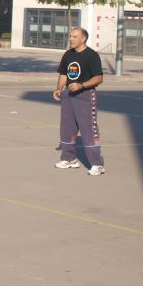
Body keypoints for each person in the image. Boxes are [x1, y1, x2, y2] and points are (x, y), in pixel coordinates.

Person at [53, 27, 105, 176]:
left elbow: (99, 78)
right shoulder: (68, 54)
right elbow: (64, 73)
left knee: (88, 129)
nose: (71, 39)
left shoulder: (91, 55)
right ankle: (69, 159)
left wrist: (81, 85)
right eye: (70, 36)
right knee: (67, 128)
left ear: (83, 39)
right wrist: (59, 88)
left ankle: (97, 164)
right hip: (68, 95)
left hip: (85, 95)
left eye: (75, 37)